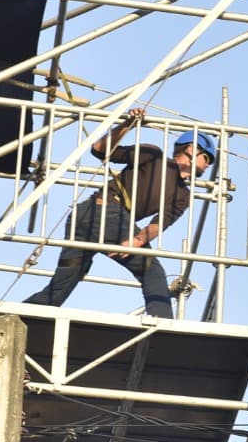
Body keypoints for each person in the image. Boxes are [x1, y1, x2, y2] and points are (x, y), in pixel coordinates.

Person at [24, 107, 214, 318]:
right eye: (207, 158)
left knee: (62, 286)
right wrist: (126, 124)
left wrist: (138, 240)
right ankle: (164, 327)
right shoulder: (154, 156)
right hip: (103, 212)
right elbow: (100, 149)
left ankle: (19, 316)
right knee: (152, 271)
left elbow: (160, 223)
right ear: (191, 149)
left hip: (96, 216)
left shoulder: (182, 195)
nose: (208, 166)